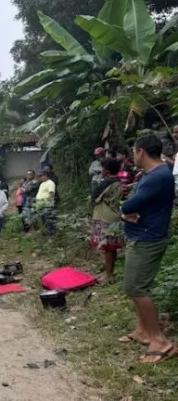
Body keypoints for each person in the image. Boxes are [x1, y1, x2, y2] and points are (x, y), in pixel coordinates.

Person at [118, 133, 175, 363]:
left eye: (134, 150)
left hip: (147, 238)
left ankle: (159, 339)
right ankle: (143, 330)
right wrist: (127, 213)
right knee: (135, 286)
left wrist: (126, 211)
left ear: (140, 151)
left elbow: (130, 204)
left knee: (137, 288)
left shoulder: (155, 176)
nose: (134, 154)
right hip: (144, 234)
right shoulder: (156, 173)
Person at [90, 158, 124, 284]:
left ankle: (108, 275)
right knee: (112, 247)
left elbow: (94, 196)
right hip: (114, 215)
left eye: (103, 168)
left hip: (105, 216)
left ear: (106, 171)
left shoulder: (107, 182)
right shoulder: (118, 181)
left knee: (108, 248)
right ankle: (110, 273)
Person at [35, 170, 56, 235]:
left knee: (49, 219)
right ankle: (46, 232)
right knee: (43, 220)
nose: (40, 177)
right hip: (41, 205)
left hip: (47, 205)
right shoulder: (42, 183)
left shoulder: (50, 183)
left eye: (41, 176)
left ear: (45, 175)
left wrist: (46, 203)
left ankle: (51, 233)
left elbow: (51, 194)